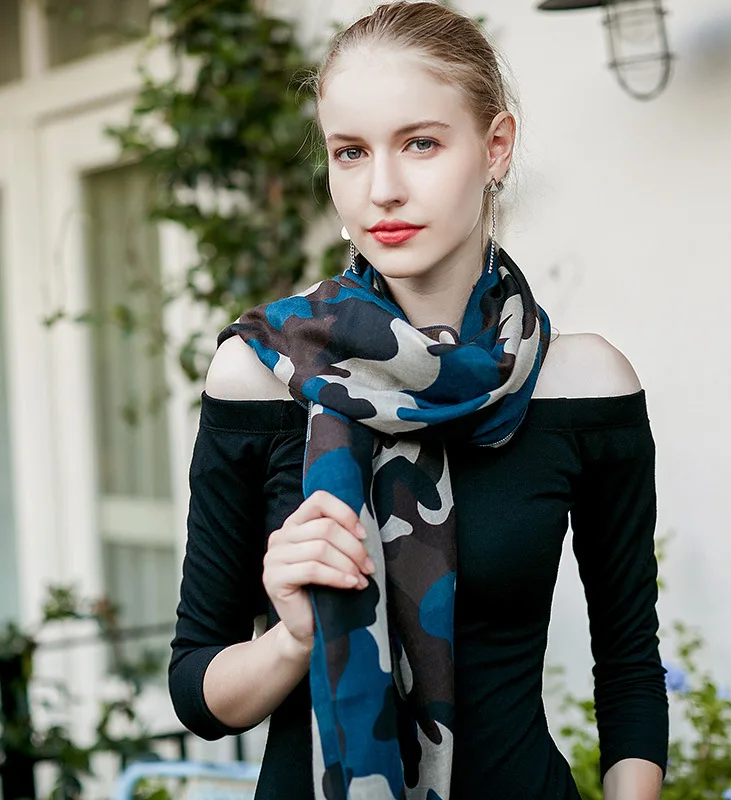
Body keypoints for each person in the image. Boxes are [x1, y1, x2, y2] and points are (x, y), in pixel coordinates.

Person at [168, 2, 668, 798]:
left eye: (421, 144)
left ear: (495, 148)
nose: (383, 189)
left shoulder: (583, 383)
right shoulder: (261, 374)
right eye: (351, 152)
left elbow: (630, 666)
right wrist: (292, 637)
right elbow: (198, 693)